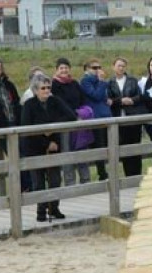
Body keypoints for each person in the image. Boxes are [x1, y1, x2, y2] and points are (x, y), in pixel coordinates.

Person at [21, 74, 77, 221]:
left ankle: (54, 208)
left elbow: (71, 115)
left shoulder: (55, 101)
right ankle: (40, 211)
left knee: (55, 179)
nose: (46, 90)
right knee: (38, 182)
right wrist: (46, 142)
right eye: (43, 88)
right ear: (35, 90)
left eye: (48, 87)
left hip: (54, 143)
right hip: (34, 146)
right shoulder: (29, 105)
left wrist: (52, 127)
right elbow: (28, 128)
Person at [51, 57, 91, 185]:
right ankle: (70, 184)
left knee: (82, 151)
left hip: (79, 122)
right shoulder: (53, 85)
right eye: (61, 68)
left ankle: (86, 181)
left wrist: (82, 113)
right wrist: (74, 115)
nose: (64, 70)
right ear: (56, 70)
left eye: (66, 68)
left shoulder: (74, 83)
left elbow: (83, 99)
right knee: (67, 153)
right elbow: (59, 103)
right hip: (64, 123)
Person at [108, 57, 144, 177]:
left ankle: (137, 175)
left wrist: (131, 100)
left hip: (132, 117)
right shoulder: (110, 82)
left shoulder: (132, 80)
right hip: (118, 119)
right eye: (119, 65)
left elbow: (139, 96)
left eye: (123, 66)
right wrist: (120, 101)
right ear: (113, 67)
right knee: (123, 148)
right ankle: (128, 175)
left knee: (135, 146)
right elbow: (109, 100)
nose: (121, 68)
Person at [80, 58, 111, 181]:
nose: (98, 70)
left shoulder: (98, 81)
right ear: (87, 69)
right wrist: (102, 82)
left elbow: (104, 97)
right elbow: (97, 96)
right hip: (96, 117)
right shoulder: (85, 81)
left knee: (107, 145)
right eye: (94, 68)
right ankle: (102, 173)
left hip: (105, 115)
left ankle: (105, 171)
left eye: (99, 67)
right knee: (99, 145)